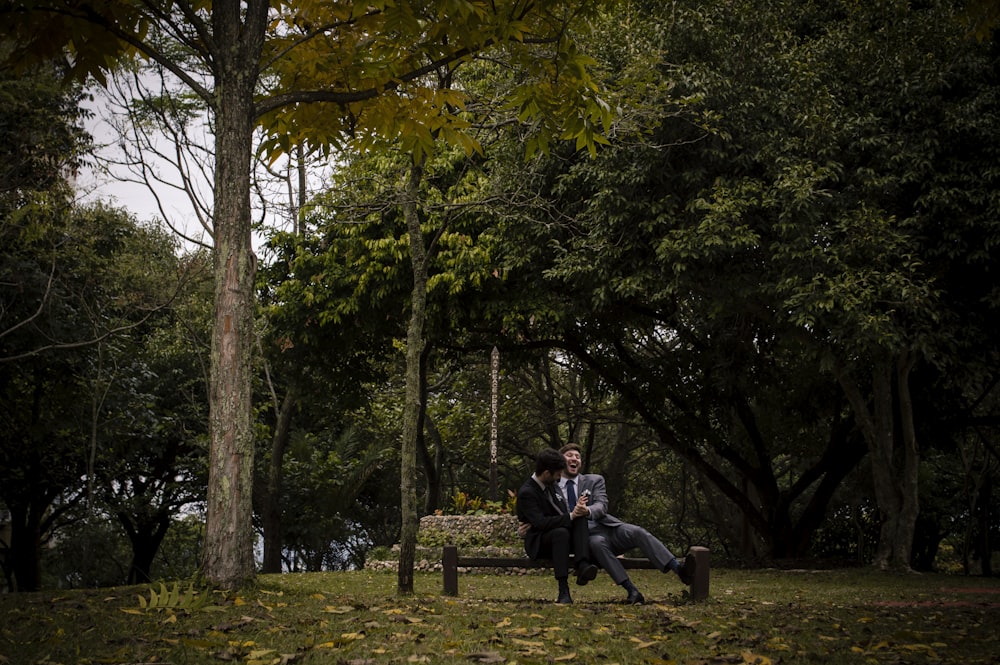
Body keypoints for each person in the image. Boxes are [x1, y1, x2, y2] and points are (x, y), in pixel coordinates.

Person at [520, 443, 696, 604]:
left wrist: (587, 511)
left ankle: (678, 569)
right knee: (598, 544)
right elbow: (538, 511)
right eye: (570, 455)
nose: (575, 458)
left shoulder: (594, 480)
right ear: (559, 462)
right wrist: (530, 525)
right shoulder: (550, 485)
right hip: (583, 538)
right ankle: (632, 591)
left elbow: (602, 505)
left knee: (637, 532)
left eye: (578, 456)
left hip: (606, 525)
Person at [516, 447, 600, 604]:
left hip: (561, 536)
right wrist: (569, 516)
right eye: (557, 475)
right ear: (547, 473)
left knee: (579, 517)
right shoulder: (528, 493)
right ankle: (563, 589)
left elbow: (561, 514)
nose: (559, 478)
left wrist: (574, 513)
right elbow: (540, 523)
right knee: (561, 532)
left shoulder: (551, 487)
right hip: (540, 541)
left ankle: (582, 565)